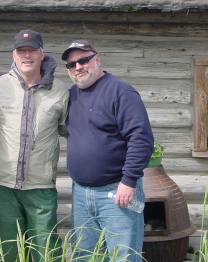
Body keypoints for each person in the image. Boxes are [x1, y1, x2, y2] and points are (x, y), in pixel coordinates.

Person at [61, 40, 154, 262]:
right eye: (71, 64)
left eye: (84, 60)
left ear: (97, 59)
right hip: (81, 193)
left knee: (124, 257)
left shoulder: (121, 92)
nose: (78, 67)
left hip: (117, 191)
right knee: (86, 257)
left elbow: (141, 138)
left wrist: (129, 181)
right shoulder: (70, 96)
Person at [0, 29, 69, 262]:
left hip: (40, 187)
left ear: (41, 54)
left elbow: (69, 131)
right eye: (21, 51)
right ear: (13, 55)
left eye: (32, 50)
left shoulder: (60, 90)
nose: (27, 55)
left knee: (47, 253)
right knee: (10, 251)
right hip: (3, 187)